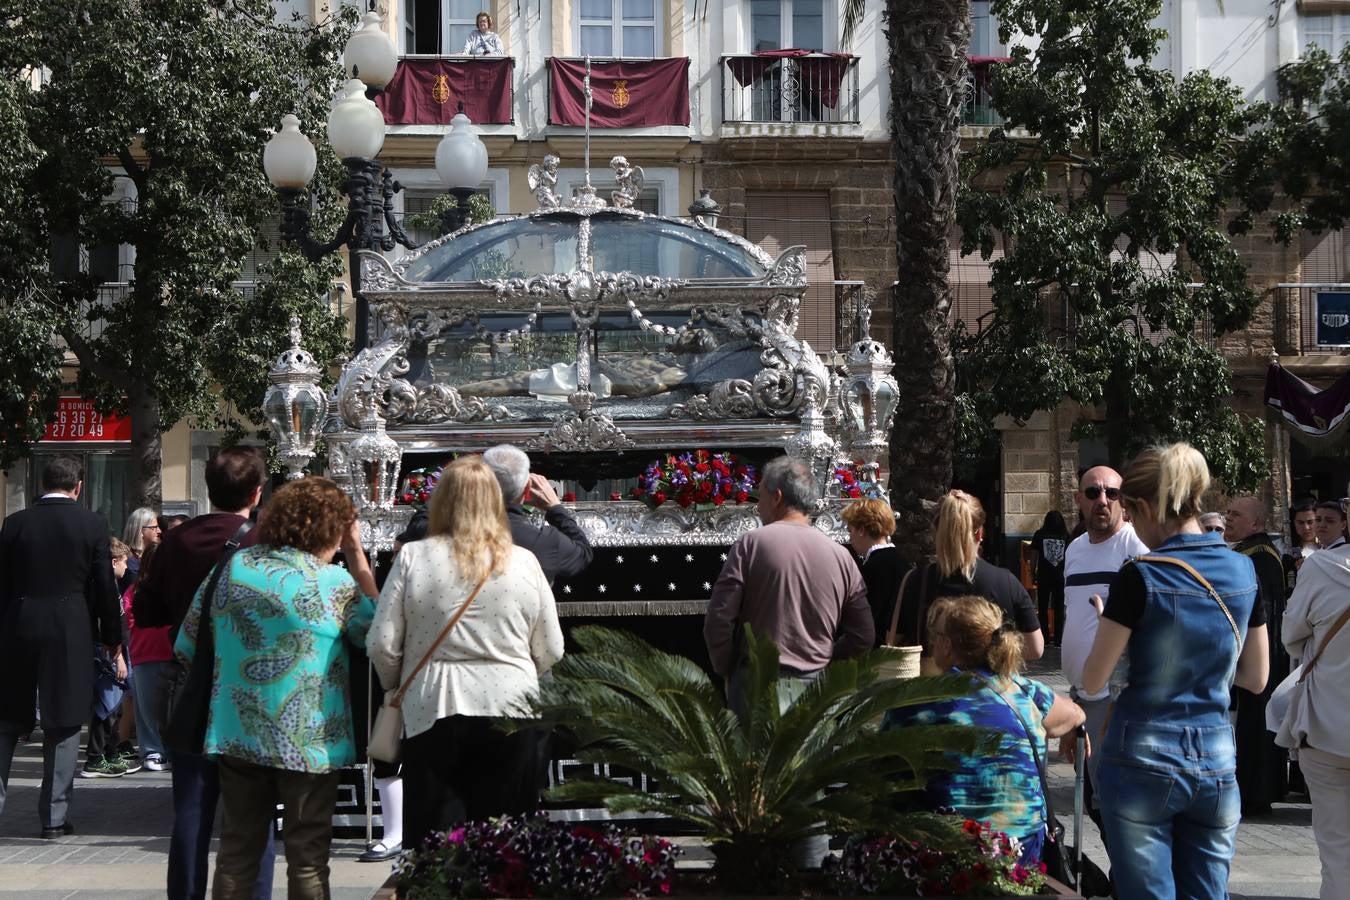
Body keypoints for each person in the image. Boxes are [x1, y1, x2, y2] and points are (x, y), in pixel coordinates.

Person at [174, 477, 377, 900]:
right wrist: (358, 557)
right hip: (311, 740)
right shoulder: (335, 584)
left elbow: (187, 643)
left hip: (238, 731)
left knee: (236, 853)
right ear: (332, 530)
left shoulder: (231, 570)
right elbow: (378, 635)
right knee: (307, 858)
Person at [1083, 443, 1269, 900]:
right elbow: (1256, 677)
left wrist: (1120, 635)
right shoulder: (1244, 570)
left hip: (1142, 757)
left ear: (1145, 506)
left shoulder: (1139, 576)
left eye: (1130, 512)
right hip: (1216, 757)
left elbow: (1092, 680)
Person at [367, 456, 565, 849]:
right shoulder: (525, 561)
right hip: (512, 705)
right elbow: (551, 648)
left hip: (432, 704)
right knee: (507, 842)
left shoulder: (412, 557)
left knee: (437, 844)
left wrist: (399, 686)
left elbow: (382, 643)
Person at [704, 455, 874, 869]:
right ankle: (810, 872)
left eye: (760, 494)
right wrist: (826, 658)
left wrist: (726, 668)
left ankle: (756, 873)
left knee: (752, 788)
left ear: (777, 497)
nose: (757, 502)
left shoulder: (751, 544)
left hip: (757, 688)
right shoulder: (840, 556)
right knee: (807, 790)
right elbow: (864, 635)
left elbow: (719, 620)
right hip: (816, 690)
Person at [132, 447, 273, 900]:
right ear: (257, 491)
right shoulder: (263, 541)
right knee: (252, 812)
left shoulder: (176, 540)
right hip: (249, 686)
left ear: (208, 490)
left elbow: (149, 609)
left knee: (191, 809)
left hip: (190, 680)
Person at [883, 595, 1085, 864]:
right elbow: (1074, 713)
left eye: (935, 635)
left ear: (945, 645)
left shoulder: (914, 703)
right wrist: (1077, 728)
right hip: (1020, 853)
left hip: (939, 857)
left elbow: (880, 775)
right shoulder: (1024, 692)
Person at [0, 456, 123, 839]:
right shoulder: (91, 524)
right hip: (70, 624)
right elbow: (105, 586)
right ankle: (53, 817)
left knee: (5, 721)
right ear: (79, 486)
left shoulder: (14, 523)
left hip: (18, 621)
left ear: (41, 483)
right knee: (65, 720)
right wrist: (112, 635)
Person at [1059, 464, 1148, 816]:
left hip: (1114, 700)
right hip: (1082, 697)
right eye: (1093, 493)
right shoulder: (1075, 549)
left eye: (1112, 493)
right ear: (1078, 499)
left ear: (1123, 502)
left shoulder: (1135, 547)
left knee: (1109, 802)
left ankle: (1124, 873)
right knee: (1090, 798)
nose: (1103, 500)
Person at [891, 490, 1043, 673]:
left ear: (936, 531)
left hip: (929, 694)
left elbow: (895, 644)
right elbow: (1035, 649)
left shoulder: (914, 582)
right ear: (979, 534)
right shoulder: (1006, 582)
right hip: (987, 695)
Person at [1282, 532, 1350, 900]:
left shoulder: (1321, 567)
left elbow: (1291, 634)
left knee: (1337, 850)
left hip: (1326, 727)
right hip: (1325, 730)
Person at [1226, 495, 1289, 814]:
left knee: (1256, 724)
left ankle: (1256, 792)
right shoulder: (1252, 553)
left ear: (1256, 523)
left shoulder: (1259, 556)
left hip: (1258, 655)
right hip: (1254, 654)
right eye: (1228, 513)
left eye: (1236, 515)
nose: (1228, 519)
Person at [482, 444, 593, 585]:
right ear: (527, 489)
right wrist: (555, 507)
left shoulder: (456, 533)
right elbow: (583, 554)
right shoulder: (546, 542)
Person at [82, 537, 138, 779]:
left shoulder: (111, 586)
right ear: (113, 561)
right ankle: (95, 757)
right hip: (108, 654)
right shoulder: (101, 590)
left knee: (115, 707)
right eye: (124, 562)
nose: (127, 567)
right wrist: (119, 659)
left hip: (115, 651)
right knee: (106, 706)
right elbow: (108, 628)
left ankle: (111, 751)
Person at [123, 542, 172, 771]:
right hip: (146, 654)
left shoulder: (172, 588)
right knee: (148, 710)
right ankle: (153, 750)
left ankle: (163, 750)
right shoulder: (135, 590)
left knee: (163, 709)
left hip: (166, 653)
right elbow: (131, 621)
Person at [842, 498, 909, 645]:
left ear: (861, 530)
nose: (849, 537)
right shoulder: (901, 561)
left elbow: (865, 620)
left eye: (850, 530)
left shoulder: (874, 567)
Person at [1030, 510, 1069, 644]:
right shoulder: (1066, 536)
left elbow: (1034, 556)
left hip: (1044, 575)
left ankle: (1045, 637)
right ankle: (1058, 639)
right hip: (1060, 576)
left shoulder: (1039, 535)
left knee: (1042, 607)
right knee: (1059, 607)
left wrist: (1032, 572)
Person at [121, 506, 163, 591]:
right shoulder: (127, 559)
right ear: (140, 530)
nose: (159, 531)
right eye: (154, 528)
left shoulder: (154, 554)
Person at [1284, 498, 1320, 591]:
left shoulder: (1328, 548)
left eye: (1310, 522)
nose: (1306, 527)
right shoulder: (1284, 549)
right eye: (1300, 523)